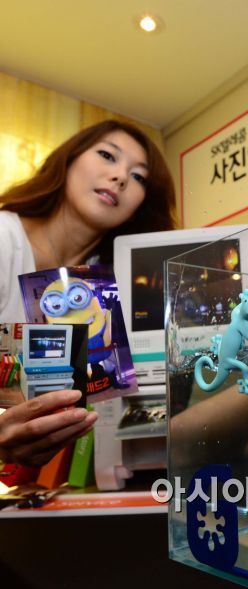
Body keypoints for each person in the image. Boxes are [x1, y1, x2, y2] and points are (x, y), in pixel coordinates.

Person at [0, 120, 177, 466]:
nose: (121, 177)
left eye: (138, 177)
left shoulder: (113, 287)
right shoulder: (5, 239)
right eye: (108, 155)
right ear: (68, 160)